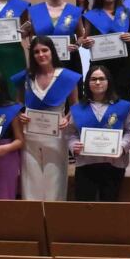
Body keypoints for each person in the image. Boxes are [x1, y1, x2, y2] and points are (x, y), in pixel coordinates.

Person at [12, 36, 80, 201]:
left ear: (52, 51)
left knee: (55, 177)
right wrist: (20, 113)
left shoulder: (67, 77)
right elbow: (18, 103)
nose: (41, 54)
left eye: (44, 50)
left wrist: (67, 118)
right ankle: (33, 219)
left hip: (56, 133)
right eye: (36, 52)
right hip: (30, 134)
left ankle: (54, 218)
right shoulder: (26, 77)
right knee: (31, 178)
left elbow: (75, 106)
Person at [68, 65, 130, 202]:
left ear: (109, 81)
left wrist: (122, 147)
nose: (98, 82)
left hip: (114, 164)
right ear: (87, 83)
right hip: (86, 164)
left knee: (109, 208)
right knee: (85, 207)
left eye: (101, 79)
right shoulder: (77, 108)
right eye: (93, 79)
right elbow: (71, 133)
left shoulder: (123, 106)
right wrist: (73, 145)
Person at [80, 0, 130, 101]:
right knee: (101, 101)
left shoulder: (127, 12)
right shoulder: (91, 15)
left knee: (124, 101)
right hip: (101, 66)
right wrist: (85, 43)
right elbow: (84, 41)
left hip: (125, 65)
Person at [23, 0, 83, 77]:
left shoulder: (74, 11)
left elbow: (81, 35)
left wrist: (77, 45)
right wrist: (32, 44)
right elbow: (31, 35)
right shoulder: (35, 11)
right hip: (42, 61)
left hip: (69, 61)